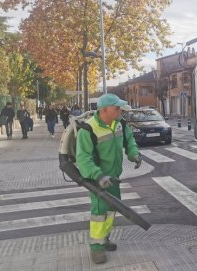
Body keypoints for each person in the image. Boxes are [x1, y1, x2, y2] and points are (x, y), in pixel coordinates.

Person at [76, 93, 142, 264]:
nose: (120, 110)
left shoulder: (119, 123)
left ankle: (104, 239)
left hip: (113, 178)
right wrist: (98, 176)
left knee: (112, 210)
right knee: (99, 213)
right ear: (103, 110)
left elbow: (129, 140)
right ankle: (96, 249)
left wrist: (134, 154)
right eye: (116, 108)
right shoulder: (88, 129)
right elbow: (83, 159)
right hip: (97, 180)